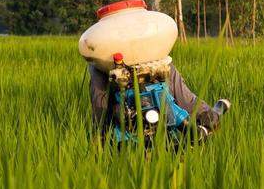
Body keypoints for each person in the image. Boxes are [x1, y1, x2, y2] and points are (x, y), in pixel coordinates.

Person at [87, 61, 229, 144]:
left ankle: (205, 119)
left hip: (146, 49)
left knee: (167, 68)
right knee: (99, 74)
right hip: (113, 56)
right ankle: (103, 132)